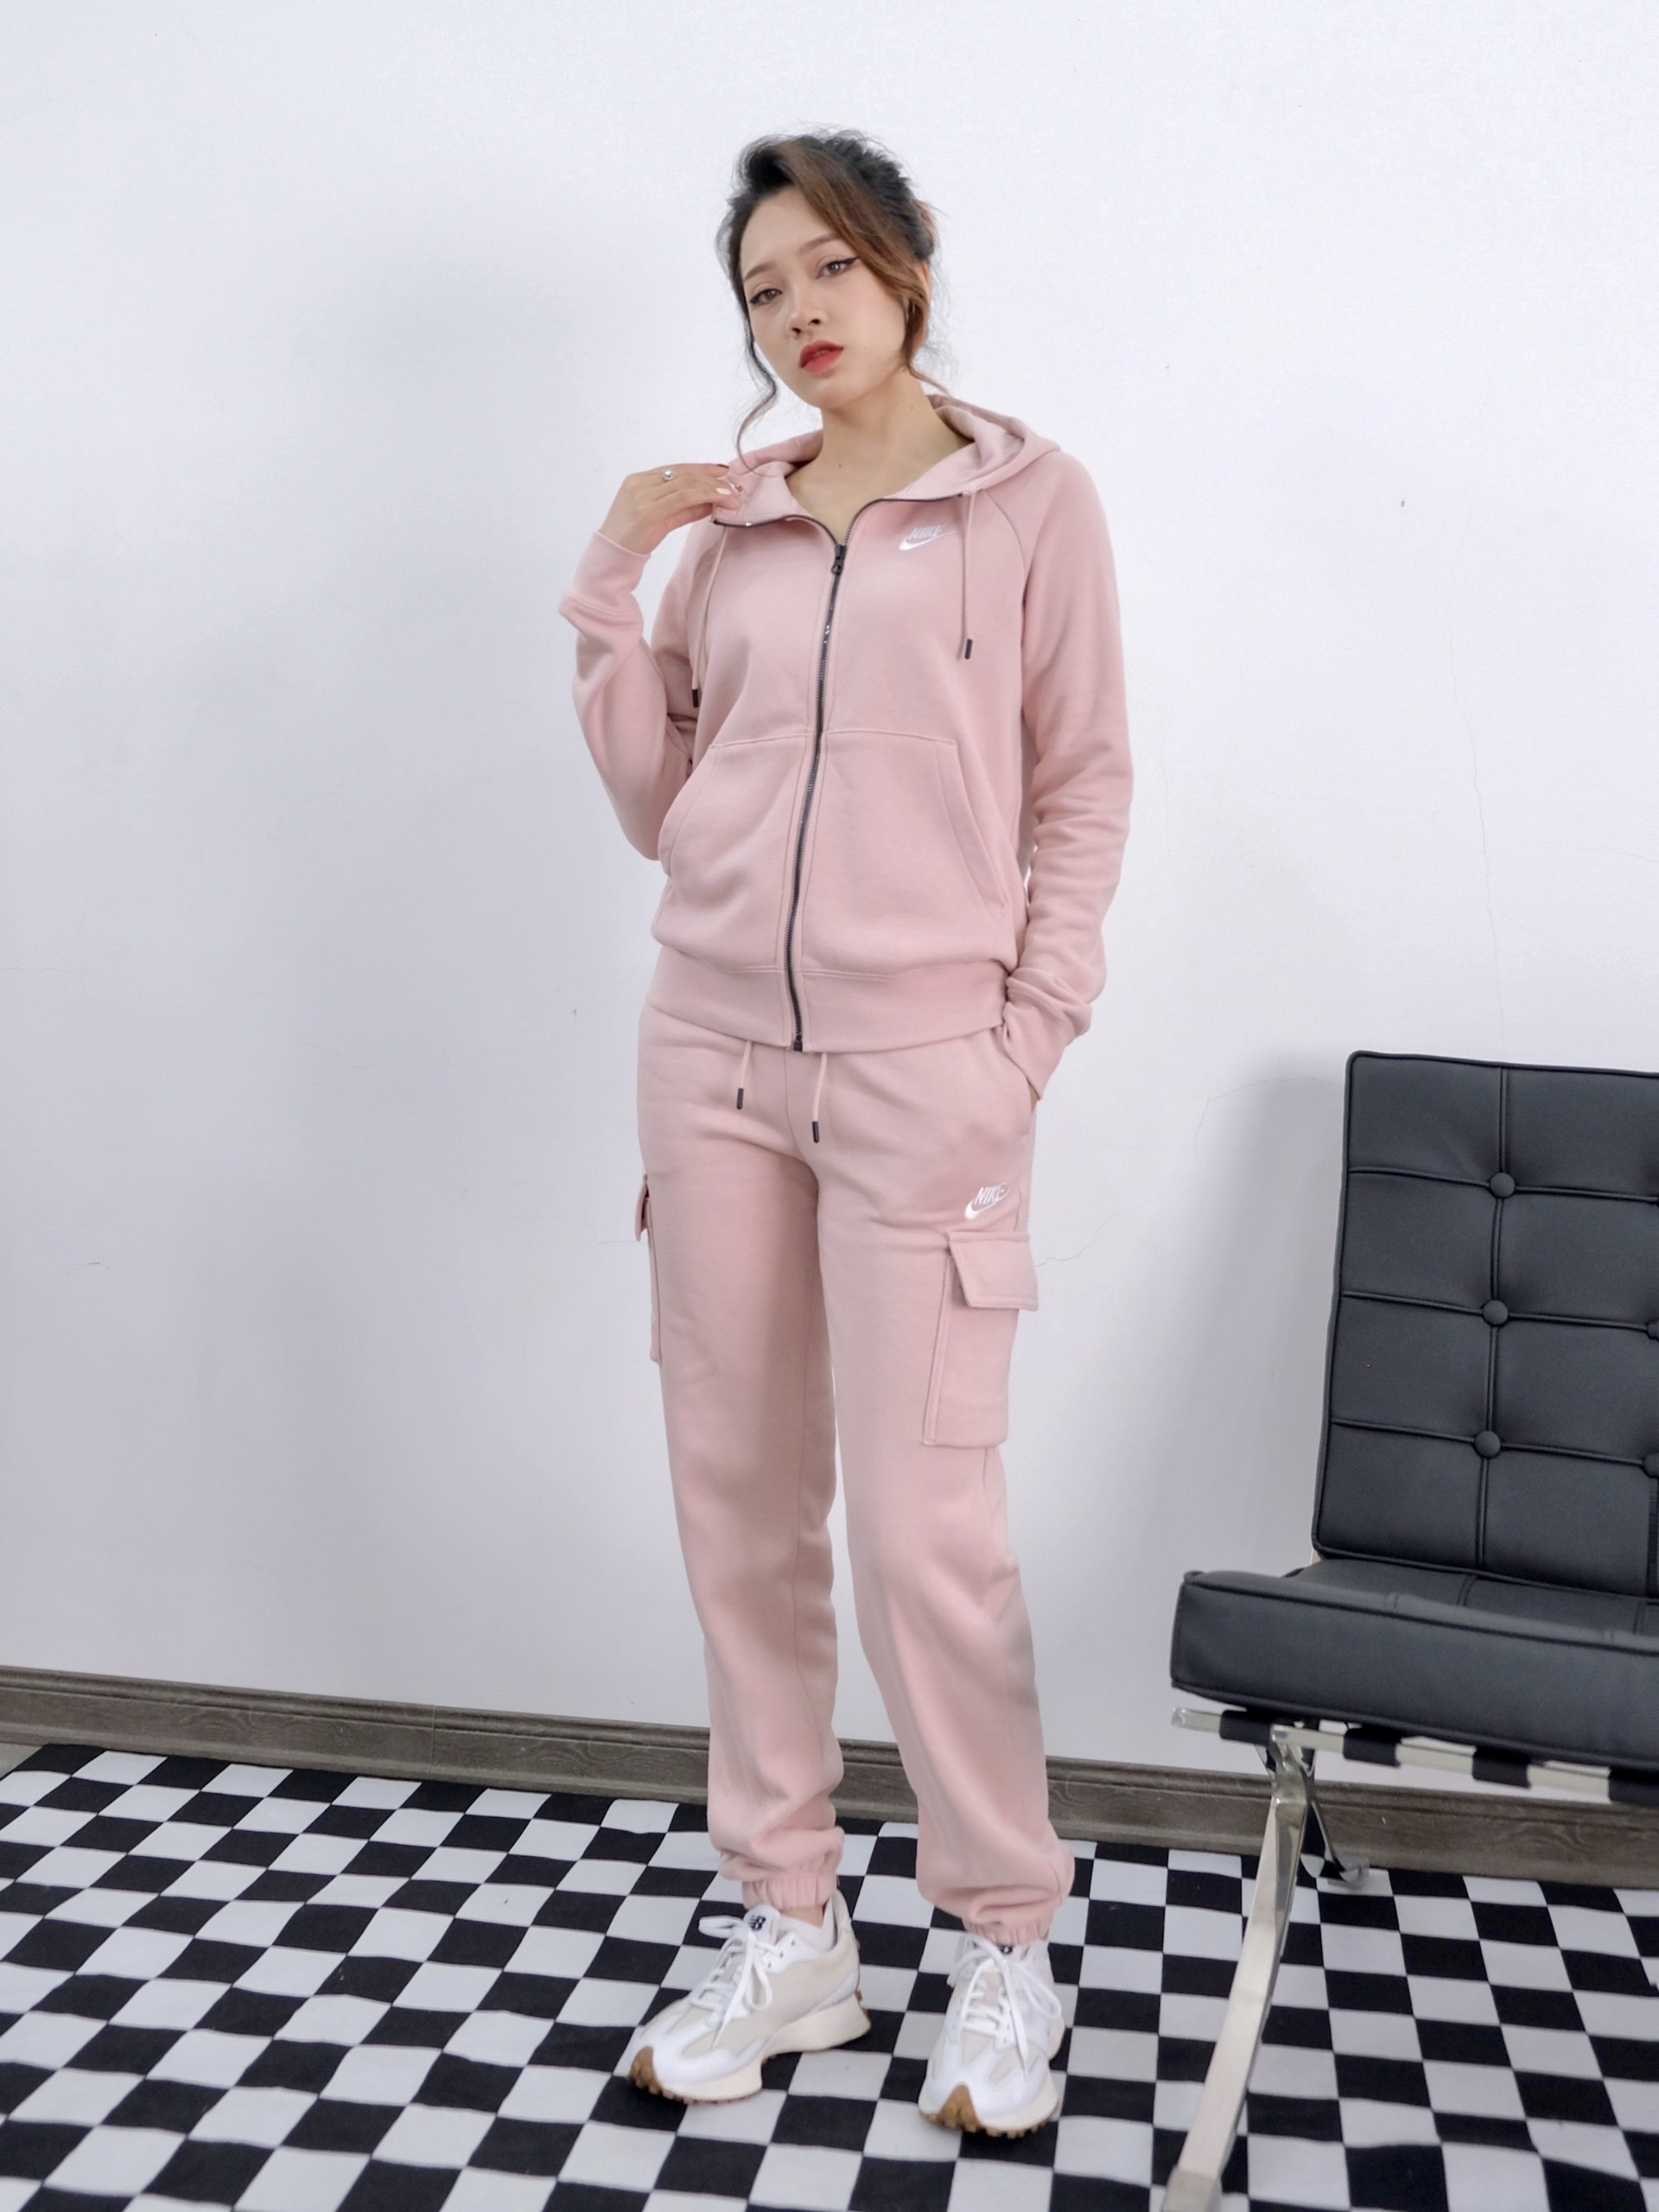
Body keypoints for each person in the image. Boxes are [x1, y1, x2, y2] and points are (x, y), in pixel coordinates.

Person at [557, 128, 1132, 2138]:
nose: (798, 312)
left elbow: (1085, 781)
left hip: (926, 1076)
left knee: (923, 1526)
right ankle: (790, 1920)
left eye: (828, 268)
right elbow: (661, 804)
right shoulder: (730, 529)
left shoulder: (1031, 501)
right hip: (710, 1057)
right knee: (740, 1508)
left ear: (906, 267)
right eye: (762, 289)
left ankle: (1003, 1938)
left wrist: (1023, 1037)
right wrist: (613, 574)